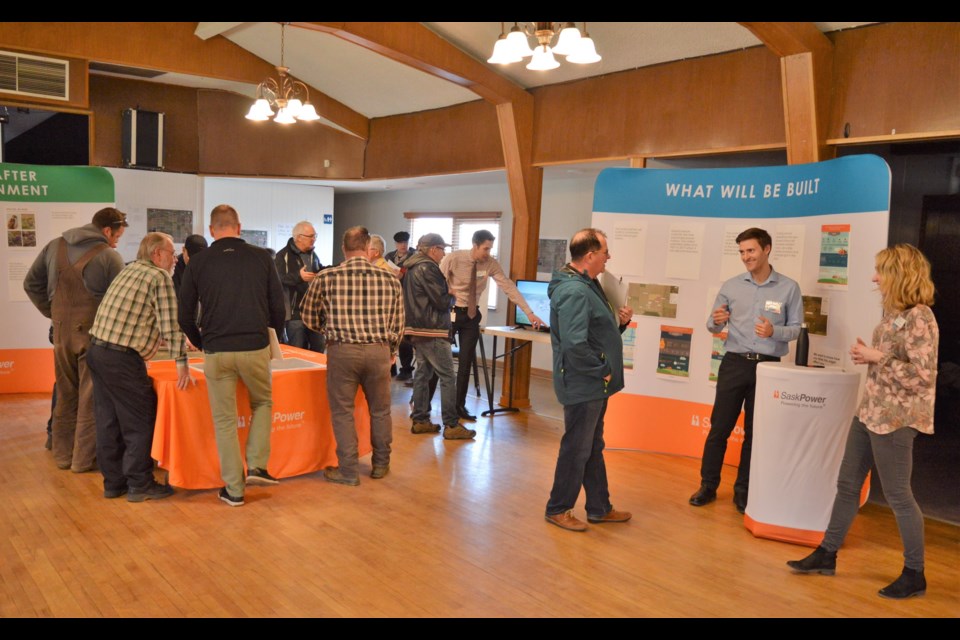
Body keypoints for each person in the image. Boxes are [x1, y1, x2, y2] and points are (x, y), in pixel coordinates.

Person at [788, 244, 938, 600]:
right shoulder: (892, 313)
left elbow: (923, 376)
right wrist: (869, 357)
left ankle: (914, 573)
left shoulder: (921, 316)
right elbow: (888, 362)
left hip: (895, 420)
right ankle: (827, 553)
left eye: (879, 271)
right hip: (869, 412)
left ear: (900, 273)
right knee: (847, 485)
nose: (873, 278)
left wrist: (876, 356)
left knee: (900, 496)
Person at [179, 204, 286, 507]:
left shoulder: (198, 263)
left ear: (212, 231)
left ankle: (234, 490)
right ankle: (256, 464)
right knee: (263, 402)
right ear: (239, 227)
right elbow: (278, 306)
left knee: (224, 421)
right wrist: (270, 335)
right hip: (254, 346)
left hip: (216, 349)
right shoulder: (262, 258)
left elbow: (184, 314)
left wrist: (201, 342)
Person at [689, 227, 802, 514]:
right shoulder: (731, 285)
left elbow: (795, 330)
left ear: (766, 249)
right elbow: (713, 325)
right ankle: (708, 486)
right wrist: (716, 321)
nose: (745, 257)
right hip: (734, 363)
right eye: (741, 252)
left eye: (750, 250)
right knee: (719, 428)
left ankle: (743, 491)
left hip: (767, 367)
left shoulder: (789, 287)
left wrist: (773, 330)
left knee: (755, 433)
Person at [87, 232, 194, 502]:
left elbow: (141, 317)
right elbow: (170, 324)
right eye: (172, 253)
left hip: (98, 350)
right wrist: (182, 365)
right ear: (157, 254)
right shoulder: (159, 278)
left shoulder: (129, 270)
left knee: (108, 420)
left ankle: (114, 483)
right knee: (140, 420)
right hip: (122, 358)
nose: (175, 259)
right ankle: (140, 483)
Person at [24, 207, 127, 473]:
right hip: (92, 336)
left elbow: (30, 284)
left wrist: (53, 314)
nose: (117, 241)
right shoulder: (109, 257)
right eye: (117, 235)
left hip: (59, 333)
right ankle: (82, 461)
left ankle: (61, 454)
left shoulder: (54, 246)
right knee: (89, 398)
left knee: (65, 393)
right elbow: (120, 303)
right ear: (107, 231)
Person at [544, 228, 633, 532]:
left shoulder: (586, 283)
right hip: (585, 381)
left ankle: (598, 507)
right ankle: (558, 508)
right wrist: (601, 368)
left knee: (592, 445)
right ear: (591, 255)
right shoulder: (574, 290)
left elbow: (594, 332)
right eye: (606, 251)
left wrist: (619, 324)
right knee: (577, 447)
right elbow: (574, 343)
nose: (609, 257)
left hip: (593, 380)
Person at [301, 226, 404, 485]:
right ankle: (381, 464)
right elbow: (398, 323)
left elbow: (308, 316)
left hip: (342, 350)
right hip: (378, 351)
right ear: (368, 247)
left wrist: (329, 329)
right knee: (380, 411)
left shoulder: (326, 277)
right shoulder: (390, 279)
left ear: (343, 249)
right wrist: (392, 351)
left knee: (342, 411)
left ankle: (348, 471)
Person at [440, 229, 546, 421]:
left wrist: (529, 312)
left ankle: (459, 407)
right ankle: (423, 404)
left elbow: (507, 286)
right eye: (485, 248)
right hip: (451, 314)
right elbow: (436, 282)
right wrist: (449, 290)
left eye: (490, 249)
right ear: (475, 245)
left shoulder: (490, 263)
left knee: (466, 364)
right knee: (439, 361)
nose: (488, 253)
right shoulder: (454, 258)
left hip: (471, 317)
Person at [402, 233, 475, 440]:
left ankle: (420, 420)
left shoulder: (413, 266)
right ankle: (451, 425)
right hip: (432, 330)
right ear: (433, 249)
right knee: (447, 376)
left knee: (423, 374)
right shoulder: (428, 268)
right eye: (442, 249)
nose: (444, 254)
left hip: (418, 329)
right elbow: (441, 302)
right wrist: (452, 296)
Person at [275, 220, 325, 352]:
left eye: (315, 236)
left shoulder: (313, 255)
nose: (314, 239)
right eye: (311, 236)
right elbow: (278, 279)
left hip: (314, 312)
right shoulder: (282, 256)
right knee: (297, 351)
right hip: (294, 314)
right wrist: (299, 277)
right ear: (298, 237)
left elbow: (318, 270)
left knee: (319, 349)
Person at [172, 233, 209, 298]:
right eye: (191, 258)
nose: (195, 263)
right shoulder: (173, 267)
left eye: (199, 259)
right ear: (183, 250)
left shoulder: (208, 266)